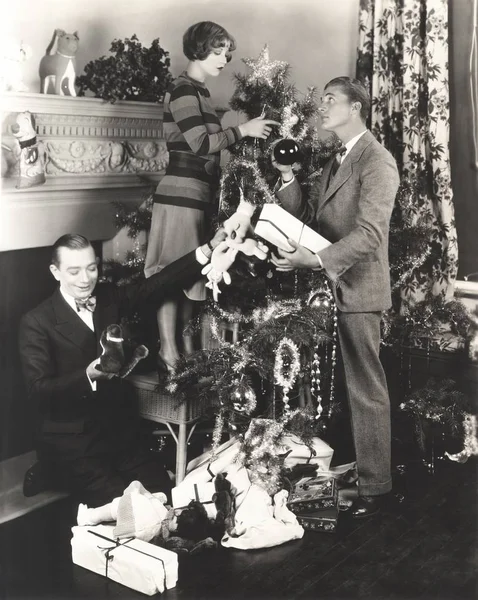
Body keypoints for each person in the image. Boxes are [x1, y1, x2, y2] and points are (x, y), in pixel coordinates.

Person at [18, 229, 230, 507]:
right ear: (55, 272)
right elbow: (38, 391)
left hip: (120, 436)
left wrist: (208, 248)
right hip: (74, 442)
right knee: (131, 508)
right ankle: (52, 468)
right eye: (74, 272)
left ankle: (54, 471)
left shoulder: (108, 297)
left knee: (165, 495)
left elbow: (159, 284)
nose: (85, 279)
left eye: (91, 268)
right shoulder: (36, 322)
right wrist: (87, 376)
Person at [271, 77, 400, 519]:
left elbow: (369, 235)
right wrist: (287, 177)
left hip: (360, 291)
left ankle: (376, 487)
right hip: (328, 290)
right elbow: (310, 215)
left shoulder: (376, 161)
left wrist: (315, 260)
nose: (321, 107)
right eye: (321, 99)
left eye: (331, 100)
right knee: (340, 391)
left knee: (366, 389)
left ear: (357, 107)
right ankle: (351, 472)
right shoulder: (337, 158)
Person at [144, 20, 279, 375]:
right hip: (179, 198)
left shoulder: (200, 93)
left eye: (226, 52)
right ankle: (169, 350)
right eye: (217, 51)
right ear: (199, 50)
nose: (224, 59)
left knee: (195, 272)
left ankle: (186, 348)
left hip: (198, 197)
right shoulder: (184, 90)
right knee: (172, 272)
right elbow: (201, 143)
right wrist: (243, 130)